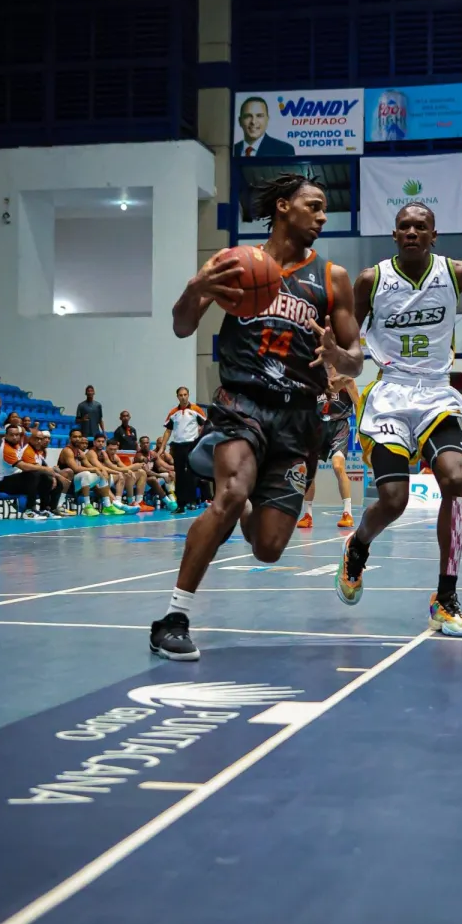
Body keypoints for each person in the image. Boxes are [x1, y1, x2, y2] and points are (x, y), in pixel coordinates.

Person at [149, 172, 363, 661]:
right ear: (284, 207)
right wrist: (195, 287)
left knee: (267, 547)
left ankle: (243, 499)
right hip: (241, 402)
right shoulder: (234, 263)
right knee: (229, 493)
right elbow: (183, 325)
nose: (323, 216)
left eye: (325, 208)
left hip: (298, 419)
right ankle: (174, 618)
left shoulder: (332, 279)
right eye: (314, 205)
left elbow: (355, 358)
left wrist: (337, 353)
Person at [336, 201, 462, 638]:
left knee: (454, 478)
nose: (411, 232)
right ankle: (358, 546)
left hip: (436, 394)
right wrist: (336, 367)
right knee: (393, 500)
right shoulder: (372, 280)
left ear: (433, 235)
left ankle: (445, 597)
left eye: (419, 226)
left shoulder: (456, 272)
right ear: (394, 234)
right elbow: (348, 337)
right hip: (389, 393)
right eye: (404, 225)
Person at [298, 374, 359, 529]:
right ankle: (307, 515)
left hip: (339, 426)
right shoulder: (313, 380)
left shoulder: (346, 380)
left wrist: (360, 427)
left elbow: (359, 405)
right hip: (318, 427)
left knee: (338, 466)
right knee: (309, 471)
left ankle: (347, 513)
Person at [0, 423, 68, 521]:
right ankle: (29, 511)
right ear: (6, 436)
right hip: (4, 482)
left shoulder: (17, 445)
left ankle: (45, 509)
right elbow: (24, 467)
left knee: (48, 480)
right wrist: (46, 470)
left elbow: (27, 431)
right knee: (34, 474)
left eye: (17, 435)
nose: (15, 437)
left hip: (17, 480)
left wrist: (52, 476)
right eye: (12, 435)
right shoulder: (6, 449)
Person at [158, 388, 207, 513]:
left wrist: (202, 441)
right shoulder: (173, 412)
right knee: (179, 475)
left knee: (192, 473)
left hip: (192, 445)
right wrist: (163, 447)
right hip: (178, 446)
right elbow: (168, 430)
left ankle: (192, 501)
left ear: (188, 395)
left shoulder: (196, 409)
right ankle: (181, 504)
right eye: (181, 395)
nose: (183, 397)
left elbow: (204, 425)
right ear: (177, 397)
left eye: (185, 395)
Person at [57, 429, 118, 516]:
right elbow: (76, 469)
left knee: (101, 474)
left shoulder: (80, 453)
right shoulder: (67, 450)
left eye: (79, 437)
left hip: (77, 483)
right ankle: (87, 506)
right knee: (86, 473)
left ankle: (107, 506)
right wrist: (94, 469)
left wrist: (100, 470)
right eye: (75, 437)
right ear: (70, 438)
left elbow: (89, 466)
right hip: (67, 483)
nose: (77, 439)